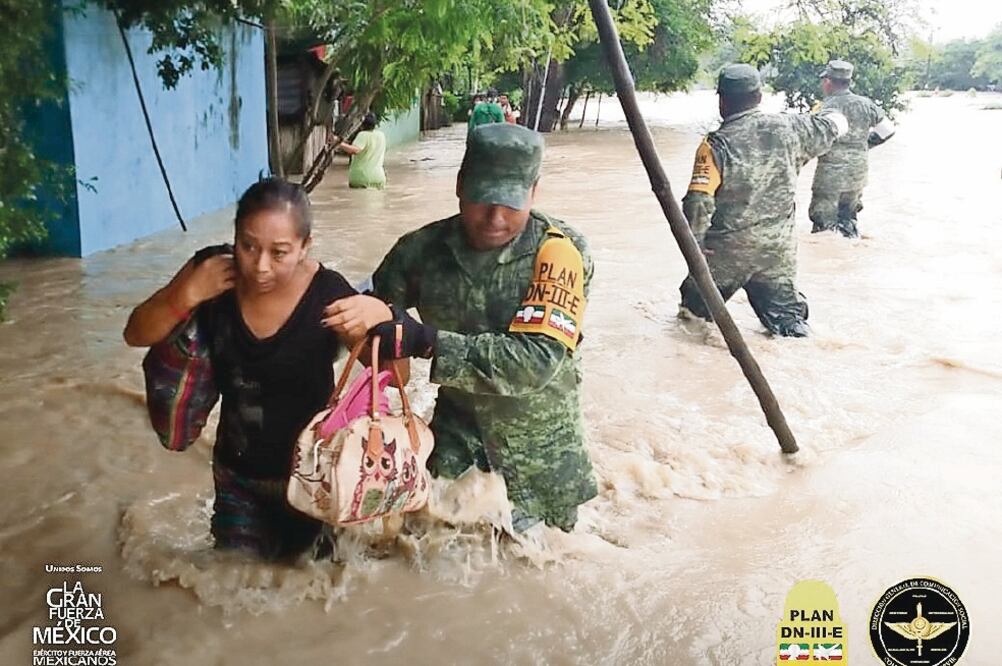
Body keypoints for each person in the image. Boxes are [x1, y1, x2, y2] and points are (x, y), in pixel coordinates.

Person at [330, 123, 596, 533]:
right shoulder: (418, 252)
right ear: (459, 185)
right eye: (482, 199)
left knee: (538, 570)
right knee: (424, 548)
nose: (495, 217)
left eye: (510, 202)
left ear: (534, 191)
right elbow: (376, 332)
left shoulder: (560, 253)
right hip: (456, 440)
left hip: (542, 454)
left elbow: (534, 361)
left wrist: (424, 340)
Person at [124, 178, 398, 561]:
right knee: (234, 586)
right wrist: (187, 293)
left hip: (315, 483)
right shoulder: (212, 275)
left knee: (314, 592)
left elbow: (388, 378)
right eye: (248, 246)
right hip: (238, 478)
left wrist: (382, 317)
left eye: (279, 252)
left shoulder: (328, 296)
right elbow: (136, 333)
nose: (260, 266)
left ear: (305, 247)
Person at [679, 64, 848, 338]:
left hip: (725, 254)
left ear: (722, 101)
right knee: (789, 328)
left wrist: (695, 247)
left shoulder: (716, 145)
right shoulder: (794, 128)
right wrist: (833, 108)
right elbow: (838, 124)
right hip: (777, 253)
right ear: (759, 96)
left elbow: (698, 202)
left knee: (692, 321)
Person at [809, 60, 896, 238]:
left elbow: (812, 140)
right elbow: (888, 130)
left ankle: (830, 263)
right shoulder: (866, 104)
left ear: (827, 82)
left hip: (830, 176)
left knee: (824, 227)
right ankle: (852, 253)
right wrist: (865, 144)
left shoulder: (826, 106)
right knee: (848, 221)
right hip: (857, 173)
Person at [333, 112, 387, 190]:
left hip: (361, 178)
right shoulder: (381, 135)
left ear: (361, 125)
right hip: (379, 178)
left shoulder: (363, 135)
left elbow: (355, 150)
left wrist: (338, 143)